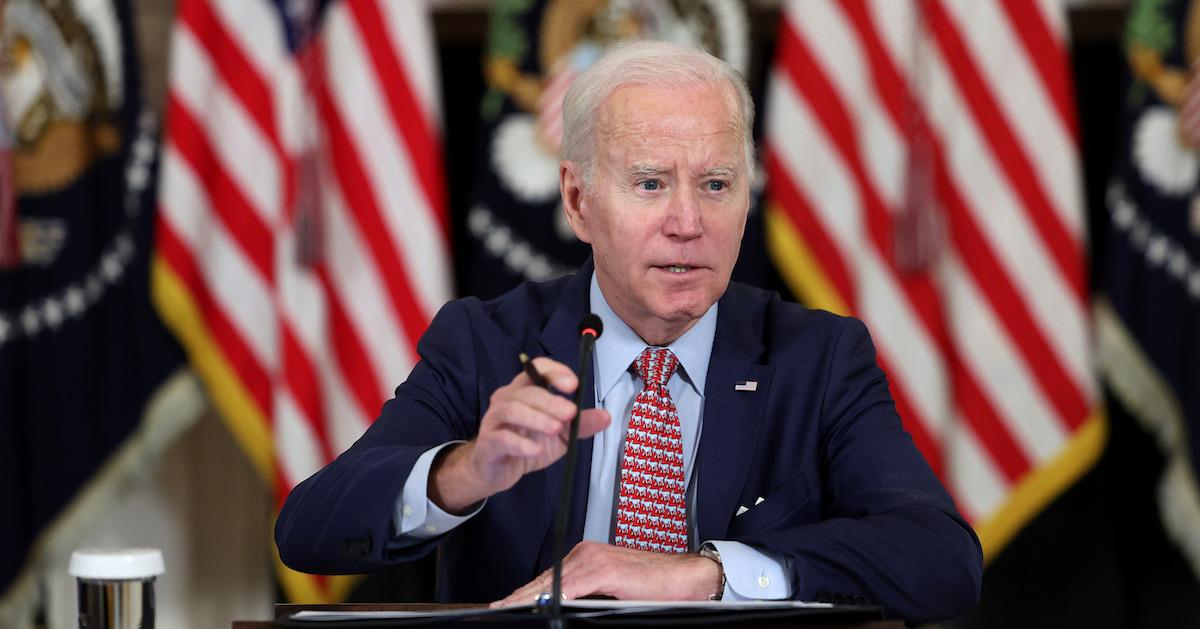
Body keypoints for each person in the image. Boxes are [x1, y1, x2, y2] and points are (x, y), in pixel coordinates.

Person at [275, 41, 982, 621]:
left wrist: (702, 573)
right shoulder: (485, 342)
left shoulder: (818, 358)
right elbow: (307, 528)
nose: (687, 221)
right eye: (649, 184)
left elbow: (940, 559)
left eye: (715, 184)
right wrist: (468, 470)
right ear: (578, 201)